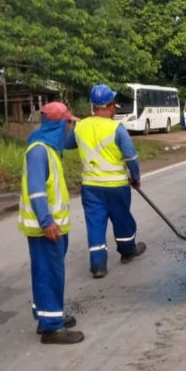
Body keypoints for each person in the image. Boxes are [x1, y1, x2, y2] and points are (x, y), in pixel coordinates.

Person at [19, 102, 84, 344]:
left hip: (52, 226)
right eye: (68, 123)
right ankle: (51, 328)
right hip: (45, 228)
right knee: (49, 274)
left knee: (47, 272)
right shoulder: (39, 151)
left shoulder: (47, 146)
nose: (69, 128)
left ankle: (47, 316)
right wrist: (46, 221)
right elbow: (36, 191)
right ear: (59, 124)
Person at [66, 84, 147, 279]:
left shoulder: (80, 127)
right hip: (116, 187)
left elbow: (66, 144)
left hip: (91, 187)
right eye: (113, 105)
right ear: (110, 105)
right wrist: (135, 177)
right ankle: (127, 250)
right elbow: (130, 157)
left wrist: (73, 124)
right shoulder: (116, 128)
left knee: (95, 224)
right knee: (121, 219)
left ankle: (98, 265)